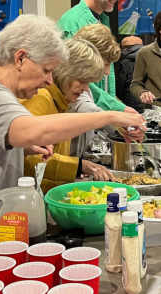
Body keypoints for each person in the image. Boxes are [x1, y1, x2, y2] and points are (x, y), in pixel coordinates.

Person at [0, 15, 145, 266]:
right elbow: (34, 129)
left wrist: (24, 149)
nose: (50, 80)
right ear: (20, 58)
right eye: (47, 70)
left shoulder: (0, 96)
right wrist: (111, 116)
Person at [21, 37, 116, 192]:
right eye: (82, 81)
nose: (85, 89)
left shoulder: (61, 101)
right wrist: (80, 166)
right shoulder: (41, 98)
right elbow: (31, 160)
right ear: (66, 72)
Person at [58, 0, 136, 113]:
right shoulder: (73, 23)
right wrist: (118, 109)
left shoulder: (102, 19)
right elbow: (78, 81)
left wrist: (114, 106)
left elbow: (106, 79)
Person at [68, 24, 124, 159]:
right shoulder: (71, 83)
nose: (106, 72)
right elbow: (85, 108)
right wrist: (116, 120)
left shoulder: (85, 85)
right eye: (105, 64)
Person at [115, 36, 144, 112]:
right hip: (152, 103)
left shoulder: (123, 62)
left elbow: (119, 86)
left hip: (130, 106)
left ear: (124, 48)